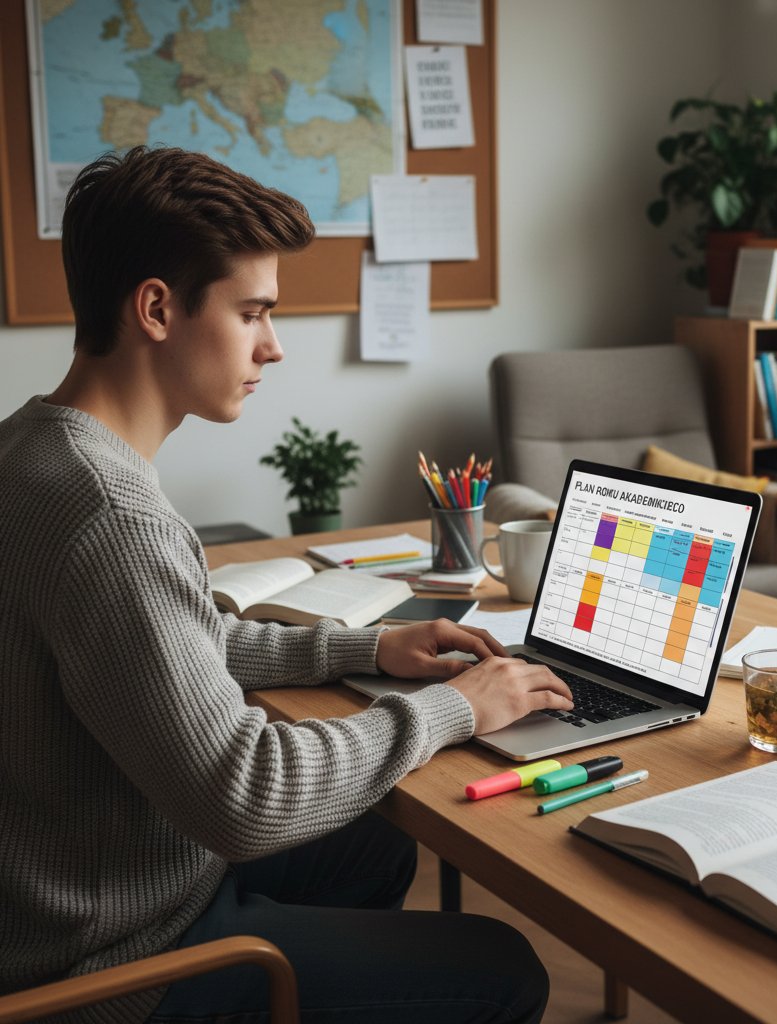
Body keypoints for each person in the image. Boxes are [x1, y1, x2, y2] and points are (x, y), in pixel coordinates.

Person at [0, 146, 573, 1023]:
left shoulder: (34, 448)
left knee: (374, 850)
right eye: (252, 312)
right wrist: (459, 709)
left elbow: (165, 648)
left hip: (85, 880)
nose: (272, 345)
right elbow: (245, 796)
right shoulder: (112, 516)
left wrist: (367, 646)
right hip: (111, 958)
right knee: (505, 970)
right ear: (157, 307)